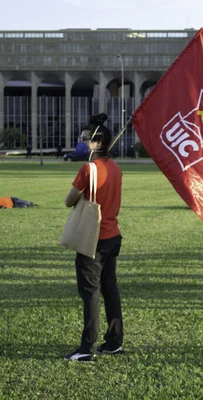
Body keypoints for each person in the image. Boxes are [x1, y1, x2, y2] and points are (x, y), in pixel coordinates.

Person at [63, 113, 124, 362]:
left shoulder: (88, 169)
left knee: (90, 293)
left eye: (87, 139)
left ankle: (87, 348)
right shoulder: (116, 168)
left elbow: (69, 200)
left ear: (98, 143)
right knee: (110, 289)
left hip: (93, 238)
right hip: (113, 236)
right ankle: (113, 343)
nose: (83, 142)